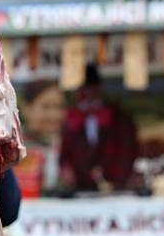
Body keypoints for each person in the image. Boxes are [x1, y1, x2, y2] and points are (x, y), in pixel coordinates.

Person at [59, 64, 138, 192]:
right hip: (80, 189)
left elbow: (128, 152)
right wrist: (67, 170)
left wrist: (113, 176)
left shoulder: (120, 119)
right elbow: (65, 154)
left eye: (90, 90)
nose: (87, 95)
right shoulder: (71, 120)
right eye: (82, 91)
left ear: (99, 89)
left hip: (116, 189)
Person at [14, 80, 66, 197]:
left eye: (59, 107)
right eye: (46, 107)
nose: (54, 115)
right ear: (26, 108)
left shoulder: (68, 146)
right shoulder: (13, 147)